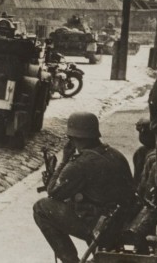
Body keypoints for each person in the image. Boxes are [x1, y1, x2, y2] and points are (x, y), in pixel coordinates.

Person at [33, 112, 134, 263]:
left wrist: (65, 159)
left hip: (103, 228)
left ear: (72, 139)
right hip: (121, 221)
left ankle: (70, 261)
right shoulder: (115, 154)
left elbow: (53, 192)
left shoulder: (80, 163)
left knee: (41, 207)